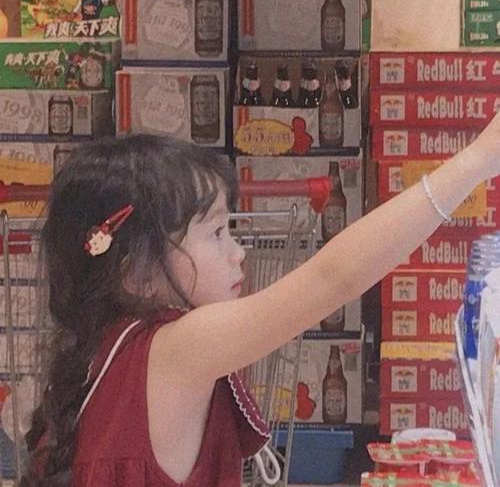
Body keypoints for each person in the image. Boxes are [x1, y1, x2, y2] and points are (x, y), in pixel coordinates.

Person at [19, 115, 500, 486]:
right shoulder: (175, 348)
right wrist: (477, 159)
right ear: (139, 273)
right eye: (216, 233)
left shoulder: (107, 349)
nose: (238, 252)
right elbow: (334, 278)